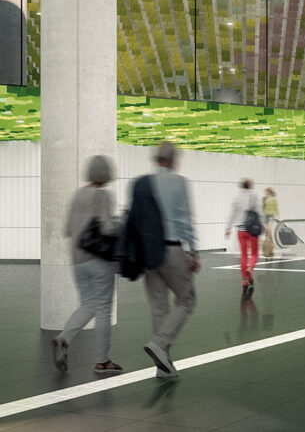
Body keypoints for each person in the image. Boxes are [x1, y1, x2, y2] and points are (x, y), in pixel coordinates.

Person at [51, 155, 122, 377]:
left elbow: (68, 229)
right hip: (99, 259)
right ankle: (102, 361)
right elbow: (107, 228)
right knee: (103, 309)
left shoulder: (78, 194)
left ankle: (64, 338)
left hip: (77, 259)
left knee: (88, 304)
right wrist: (121, 224)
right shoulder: (103, 195)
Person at [139, 142, 199, 378]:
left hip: (148, 251)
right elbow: (185, 219)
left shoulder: (143, 183)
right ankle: (160, 344)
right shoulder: (179, 182)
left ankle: (163, 366)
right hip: (171, 249)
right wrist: (193, 251)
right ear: (173, 159)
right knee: (187, 300)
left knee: (159, 307)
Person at [226, 178, 260, 292]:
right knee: (254, 253)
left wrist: (228, 228)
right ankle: (250, 267)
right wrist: (264, 227)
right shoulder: (254, 196)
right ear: (250, 186)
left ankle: (244, 280)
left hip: (241, 230)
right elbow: (259, 213)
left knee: (243, 255)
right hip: (253, 229)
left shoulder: (237, 198)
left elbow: (233, 214)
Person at [262, 188, 279, 259]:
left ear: (270, 192)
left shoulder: (274, 200)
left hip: (272, 216)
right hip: (265, 216)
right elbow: (262, 208)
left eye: (267, 192)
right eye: (265, 192)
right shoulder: (264, 199)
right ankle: (271, 246)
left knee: (268, 230)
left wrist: (278, 217)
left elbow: (276, 209)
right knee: (268, 232)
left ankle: (267, 251)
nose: (266, 193)